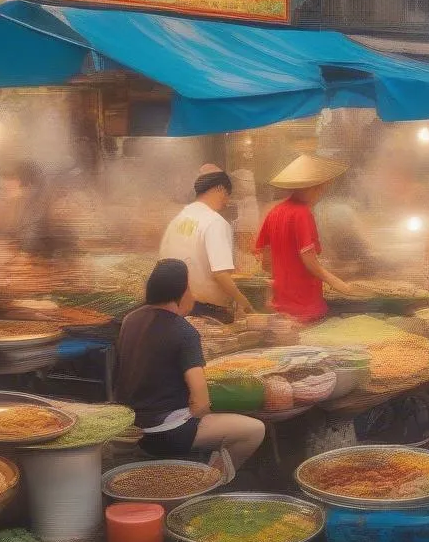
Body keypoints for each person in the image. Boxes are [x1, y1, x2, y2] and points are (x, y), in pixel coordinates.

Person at [115, 259, 265, 467]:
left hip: (129, 427)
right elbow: (201, 403)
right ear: (181, 292)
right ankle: (210, 480)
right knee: (254, 430)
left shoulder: (130, 319)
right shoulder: (184, 332)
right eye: (189, 288)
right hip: (165, 432)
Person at [255, 154, 354, 322]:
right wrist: (339, 284)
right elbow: (309, 261)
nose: (320, 194)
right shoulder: (302, 214)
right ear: (313, 187)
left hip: (282, 302)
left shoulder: (275, 212)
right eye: (320, 189)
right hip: (304, 304)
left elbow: (265, 260)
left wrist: (280, 280)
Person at [159, 165, 254, 324]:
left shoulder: (178, 219)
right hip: (207, 311)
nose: (226, 202)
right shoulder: (215, 222)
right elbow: (220, 274)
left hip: (176, 308)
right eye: (227, 195)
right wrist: (244, 302)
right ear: (219, 189)